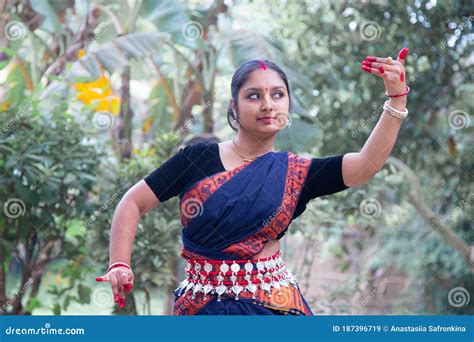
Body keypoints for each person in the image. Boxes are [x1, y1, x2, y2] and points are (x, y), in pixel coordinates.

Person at [96, 50, 410, 315]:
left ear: (287, 105)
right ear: (234, 106)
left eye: (277, 94)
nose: (268, 104)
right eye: (254, 96)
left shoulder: (297, 173)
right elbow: (133, 202)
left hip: (273, 307)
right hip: (202, 309)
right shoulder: (195, 160)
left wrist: (396, 97)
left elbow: (366, 164)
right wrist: (118, 264)